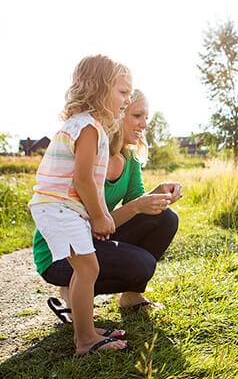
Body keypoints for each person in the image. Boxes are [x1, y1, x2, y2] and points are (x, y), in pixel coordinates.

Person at [33, 89, 181, 331]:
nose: (144, 124)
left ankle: (131, 297)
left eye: (146, 117)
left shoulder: (130, 159)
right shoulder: (93, 153)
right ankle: (72, 286)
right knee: (142, 264)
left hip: (95, 235)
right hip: (61, 253)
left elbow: (136, 205)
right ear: (117, 115)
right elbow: (88, 223)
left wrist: (159, 192)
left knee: (165, 219)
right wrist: (137, 206)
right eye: (137, 116)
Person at [29, 55, 132, 355]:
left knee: (85, 268)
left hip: (61, 206)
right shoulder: (87, 128)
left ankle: (86, 330)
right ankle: (85, 340)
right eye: (122, 92)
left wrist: (95, 216)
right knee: (88, 267)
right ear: (100, 89)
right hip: (57, 206)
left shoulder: (89, 126)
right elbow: (83, 180)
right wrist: (99, 216)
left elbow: (91, 183)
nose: (127, 99)